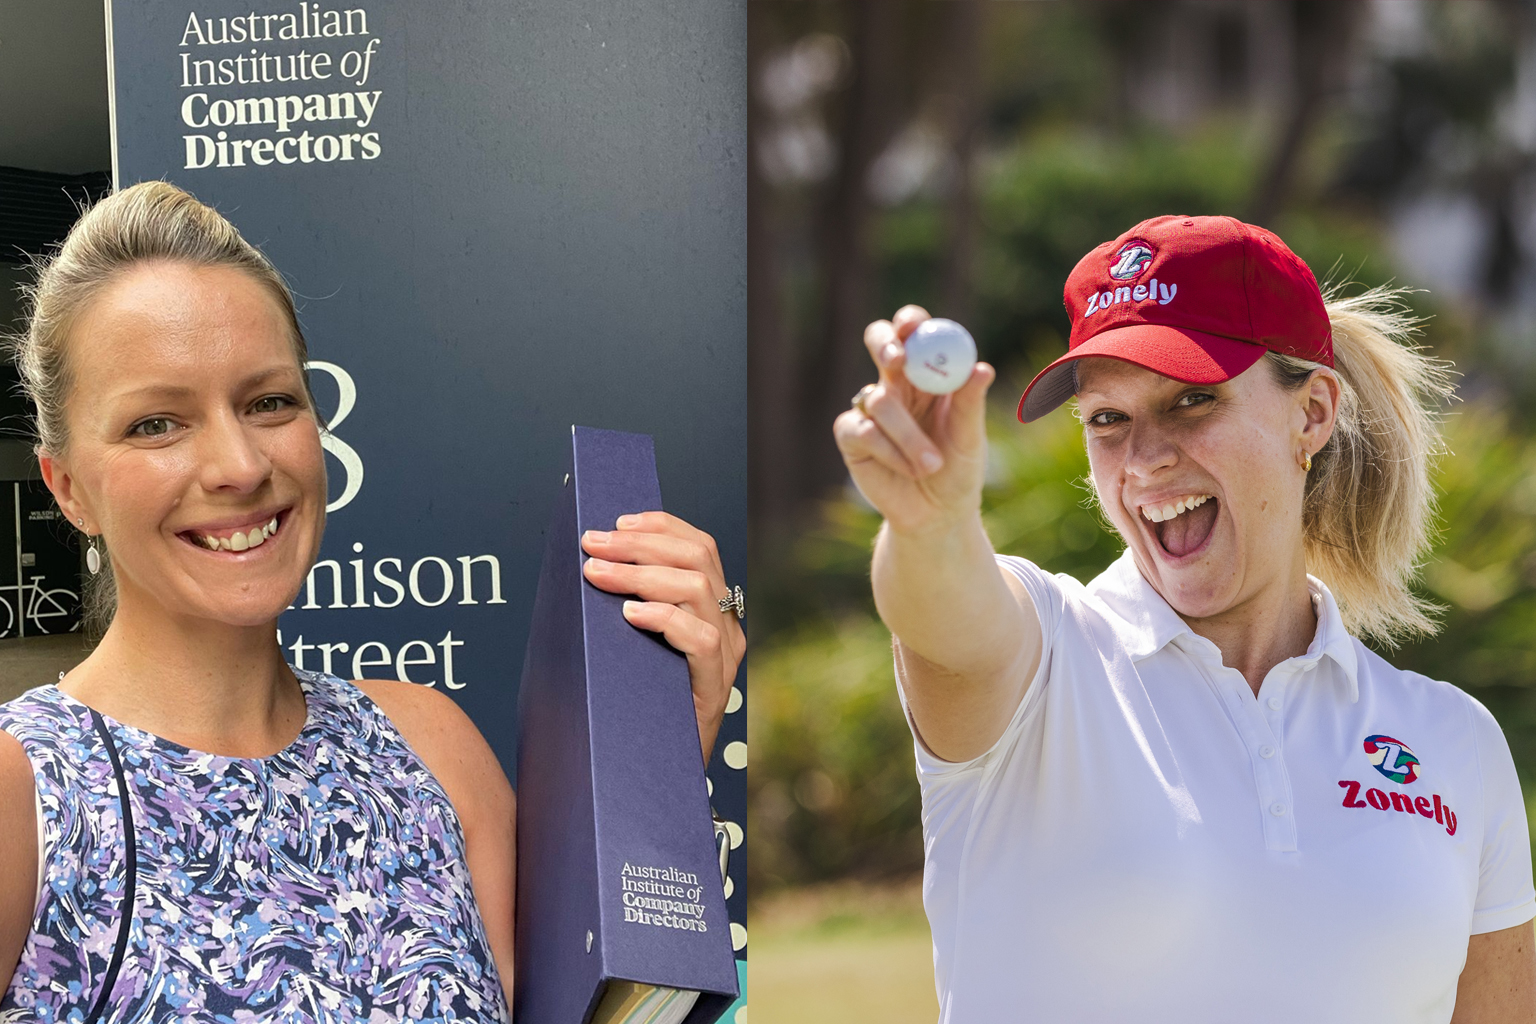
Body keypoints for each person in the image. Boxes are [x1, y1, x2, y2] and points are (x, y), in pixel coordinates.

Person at [0, 181, 745, 1021]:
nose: (240, 465)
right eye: (155, 424)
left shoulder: (430, 748)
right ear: (69, 490)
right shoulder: (24, 789)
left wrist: (658, 769)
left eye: (268, 402)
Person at [833, 215, 1535, 1022]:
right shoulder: (1044, 659)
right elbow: (944, 615)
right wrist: (929, 527)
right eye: (1108, 419)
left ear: (1312, 413)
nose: (1144, 458)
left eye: (1192, 401)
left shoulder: (1454, 741)